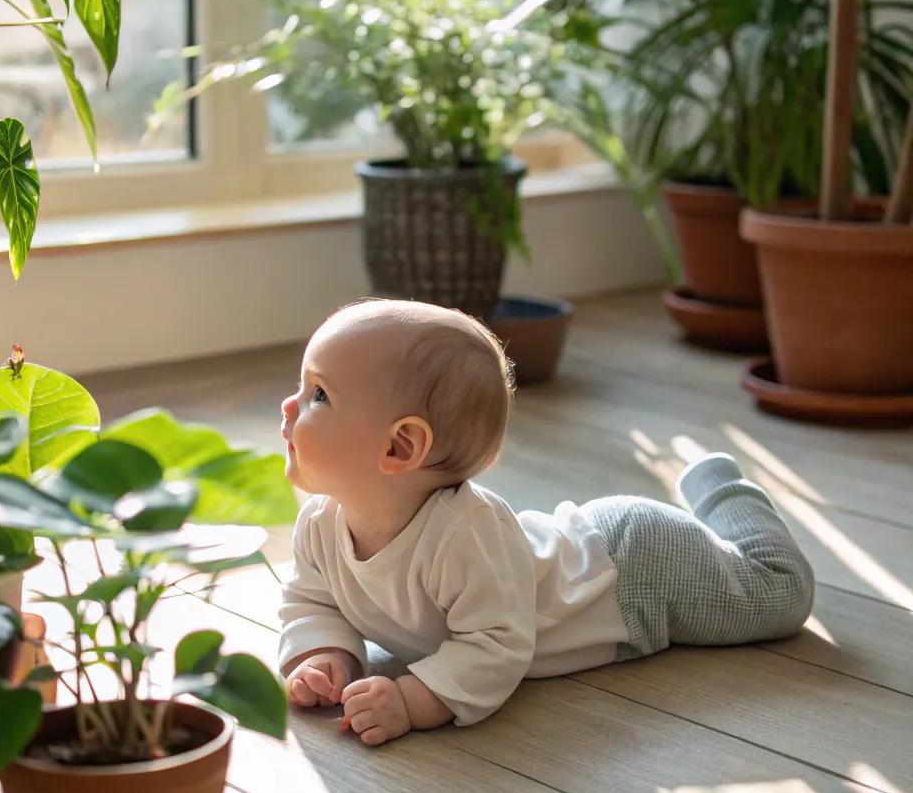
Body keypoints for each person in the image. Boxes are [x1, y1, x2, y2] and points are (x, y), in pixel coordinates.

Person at [277, 299, 815, 746]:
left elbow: (498, 645)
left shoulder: (465, 534)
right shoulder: (320, 524)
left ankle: (720, 490)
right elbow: (312, 600)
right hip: (589, 550)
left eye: (319, 394)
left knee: (781, 595)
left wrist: (414, 701)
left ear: (400, 446)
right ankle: (710, 498)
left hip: (633, 571)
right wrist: (324, 653)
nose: (290, 405)